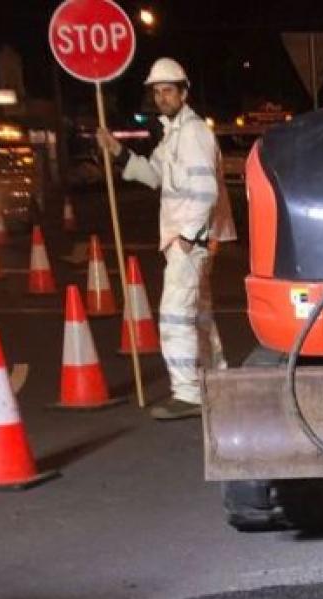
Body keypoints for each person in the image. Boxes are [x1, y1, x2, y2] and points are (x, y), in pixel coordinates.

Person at [97, 57, 235, 421]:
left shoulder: (192, 134)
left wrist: (190, 237)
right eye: (157, 92)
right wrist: (117, 152)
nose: (161, 98)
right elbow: (153, 174)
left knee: (176, 316)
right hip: (187, 239)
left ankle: (188, 393)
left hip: (189, 240)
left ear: (183, 92)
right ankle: (214, 381)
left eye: (168, 91)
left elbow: (205, 191)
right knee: (198, 316)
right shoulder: (173, 134)